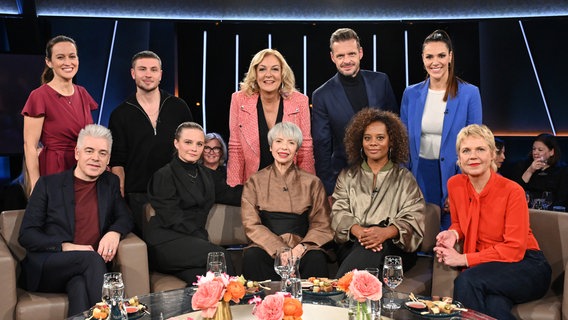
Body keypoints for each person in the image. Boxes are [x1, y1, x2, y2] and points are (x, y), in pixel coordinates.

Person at [434, 124, 551, 319]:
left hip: (527, 266)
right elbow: (459, 224)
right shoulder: (454, 185)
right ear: (459, 158)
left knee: (467, 281)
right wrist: (452, 234)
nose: (473, 156)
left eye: (480, 149)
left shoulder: (512, 191)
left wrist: (462, 259)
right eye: (466, 151)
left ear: (491, 155)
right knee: (494, 307)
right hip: (489, 270)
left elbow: (514, 249)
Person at [18, 124, 133, 317]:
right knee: (90, 259)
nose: (96, 158)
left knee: (79, 287)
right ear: (77, 153)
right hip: (48, 266)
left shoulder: (110, 183)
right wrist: (66, 246)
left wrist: (115, 232)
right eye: (89, 151)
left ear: (108, 159)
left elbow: (126, 216)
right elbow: (27, 235)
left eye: (102, 153)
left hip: (84, 271)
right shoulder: (48, 185)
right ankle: (117, 316)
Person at [401, 29, 482, 229]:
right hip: (418, 175)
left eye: (441, 56)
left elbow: (475, 146)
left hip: (453, 175)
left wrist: (462, 184)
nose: (435, 62)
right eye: (429, 56)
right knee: (419, 234)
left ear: (450, 57)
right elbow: (402, 141)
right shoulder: (411, 93)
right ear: (422, 58)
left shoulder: (469, 94)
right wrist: (405, 181)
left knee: (448, 235)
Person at [331, 108, 425, 277]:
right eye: (367, 138)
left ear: (391, 141)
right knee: (365, 249)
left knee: (370, 251)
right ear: (361, 142)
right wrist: (359, 231)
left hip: (394, 248)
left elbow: (414, 217)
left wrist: (385, 233)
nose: (373, 143)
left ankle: (341, 293)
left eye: (380, 138)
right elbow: (338, 212)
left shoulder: (405, 178)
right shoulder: (347, 176)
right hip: (353, 243)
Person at [109, 50, 193, 236]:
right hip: (138, 194)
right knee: (146, 248)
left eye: (153, 69)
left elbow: (192, 148)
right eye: (142, 69)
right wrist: (119, 198)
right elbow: (117, 161)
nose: (148, 74)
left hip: (177, 191)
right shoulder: (120, 114)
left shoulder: (179, 107)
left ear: (161, 75)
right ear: (133, 73)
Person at [146, 122, 242, 284]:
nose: (194, 148)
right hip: (165, 243)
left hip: (193, 244)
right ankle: (235, 305)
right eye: (188, 142)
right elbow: (172, 217)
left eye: (199, 144)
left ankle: (206, 308)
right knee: (219, 256)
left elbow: (230, 194)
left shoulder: (206, 174)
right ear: (176, 143)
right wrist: (203, 240)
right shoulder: (164, 175)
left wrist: (262, 191)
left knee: (203, 280)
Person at [241, 122, 333, 280]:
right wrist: (280, 249)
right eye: (279, 141)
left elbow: (322, 224)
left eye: (291, 143)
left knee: (316, 258)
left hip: (303, 247)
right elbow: (251, 224)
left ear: (297, 150)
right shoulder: (254, 181)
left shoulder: (312, 182)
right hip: (266, 247)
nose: (284, 147)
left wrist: (300, 248)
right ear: (270, 147)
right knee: (251, 255)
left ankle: (313, 304)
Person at [312, 28, 398, 196]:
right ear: (332, 58)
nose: (346, 61)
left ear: (360, 53)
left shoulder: (381, 82)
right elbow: (322, 146)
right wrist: (328, 188)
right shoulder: (321, 95)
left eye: (351, 54)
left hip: (385, 176)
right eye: (340, 56)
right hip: (345, 178)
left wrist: (397, 168)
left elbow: (395, 129)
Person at [227, 48, 315, 187]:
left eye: (274, 69)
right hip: (253, 184)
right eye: (262, 69)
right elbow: (236, 147)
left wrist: (307, 188)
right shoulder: (239, 100)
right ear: (255, 74)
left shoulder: (300, 101)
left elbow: (305, 149)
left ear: (282, 74)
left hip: (289, 185)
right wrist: (234, 187)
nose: (268, 75)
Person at [22, 35, 98, 194]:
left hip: (83, 168)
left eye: (72, 56)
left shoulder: (83, 93)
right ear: (49, 62)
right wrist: (36, 186)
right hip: (54, 169)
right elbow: (30, 146)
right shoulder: (39, 96)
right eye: (60, 57)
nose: (68, 62)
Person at [513, 133, 568, 208]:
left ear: (551, 152)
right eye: (534, 149)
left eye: (540, 150)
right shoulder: (525, 165)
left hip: (551, 214)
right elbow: (516, 191)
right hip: (527, 210)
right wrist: (530, 170)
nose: (535, 153)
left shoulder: (562, 170)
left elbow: (562, 199)